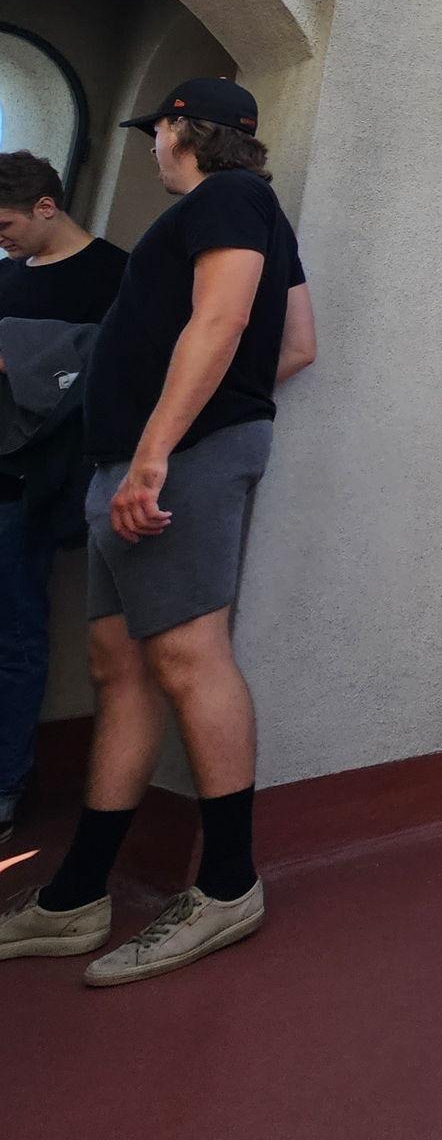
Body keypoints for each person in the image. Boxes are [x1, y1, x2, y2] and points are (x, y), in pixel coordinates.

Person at [0, 79, 314, 986]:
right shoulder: (250, 209)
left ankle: (225, 888)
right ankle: (77, 897)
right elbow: (295, 344)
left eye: (157, 130)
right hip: (140, 460)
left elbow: (224, 319)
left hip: (170, 461)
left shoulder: (229, 198)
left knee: (188, 657)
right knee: (120, 666)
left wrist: (159, 452)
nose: (150, 146)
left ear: (183, 128)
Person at [0, 153, 129, 842]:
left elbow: (111, 372)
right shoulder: (6, 274)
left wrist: (17, 354)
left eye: (7, 223)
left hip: (34, 483)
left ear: (47, 206)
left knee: (14, 633)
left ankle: (5, 783)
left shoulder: (114, 274)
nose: (2, 238)